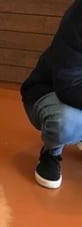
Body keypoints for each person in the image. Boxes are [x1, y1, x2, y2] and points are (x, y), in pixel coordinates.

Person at [21, 0, 82, 189]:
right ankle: (51, 153)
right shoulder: (78, 17)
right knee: (66, 122)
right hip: (50, 92)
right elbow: (68, 85)